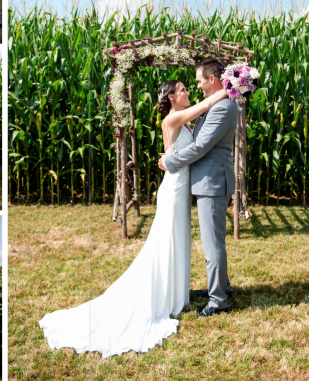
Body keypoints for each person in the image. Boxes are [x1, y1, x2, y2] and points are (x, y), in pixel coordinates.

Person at [40, 80, 228, 357]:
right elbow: (208, 103)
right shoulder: (174, 117)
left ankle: (176, 294)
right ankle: (164, 296)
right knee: (166, 243)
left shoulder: (180, 120)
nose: (189, 92)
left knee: (176, 242)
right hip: (174, 192)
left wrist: (170, 157)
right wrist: (233, 84)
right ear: (173, 97)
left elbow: (188, 148)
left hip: (179, 187)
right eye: (184, 89)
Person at [160, 60, 237, 317]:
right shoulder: (214, 104)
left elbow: (200, 146)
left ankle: (218, 300)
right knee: (213, 242)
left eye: (199, 80)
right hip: (208, 179)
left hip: (213, 182)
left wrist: (169, 161)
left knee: (212, 244)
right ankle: (221, 286)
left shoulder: (222, 107)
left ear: (212, 80)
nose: (197, 84)